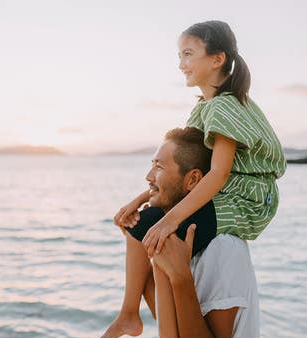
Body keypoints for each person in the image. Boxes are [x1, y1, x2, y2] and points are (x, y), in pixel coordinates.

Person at [116, 20, 286, 260]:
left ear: (217, 59)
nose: (181, 65)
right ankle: (132, 301)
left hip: (246, 202)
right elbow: (186, 166)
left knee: (162, 236)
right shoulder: (204, 109)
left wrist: (170, 220)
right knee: (139, 224)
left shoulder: (225, 107)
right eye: (179, 56)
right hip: (221, 193)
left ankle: (166, 297)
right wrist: (144, 199)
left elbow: (218, 173)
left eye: (188, 55)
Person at [93, 128, 260, 338]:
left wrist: (181, 277)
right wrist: (140, 244)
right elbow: (167, 319)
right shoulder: (178, 241)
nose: (149, 176)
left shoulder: (223, 249)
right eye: (152, 164)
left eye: (159, 166)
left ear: (193, 179)